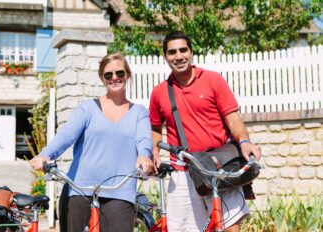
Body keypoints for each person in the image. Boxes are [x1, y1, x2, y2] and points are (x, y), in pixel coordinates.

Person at [149, 31, 261, 232]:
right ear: (165, 57)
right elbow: (155, 129)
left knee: (230, 228)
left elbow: (233, 118)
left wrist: (244, 142)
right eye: (172, 52)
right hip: (183, 170)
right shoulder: (159, 92)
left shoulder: (213, 80)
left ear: (191, 52)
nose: (179, 56)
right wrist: (154, 154)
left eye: (183, 50)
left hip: (218, 166)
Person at [30, 52, 154, 232]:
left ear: (127, 74)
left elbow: (143, 139)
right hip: (81, 187)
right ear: (102, 78)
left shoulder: (139, 112)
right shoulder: (88, 108)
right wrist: (45, 155)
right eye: (108, 75)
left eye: (120, 73)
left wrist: (144, 156)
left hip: (120, 190)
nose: (115, 78)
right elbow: (67, 135)